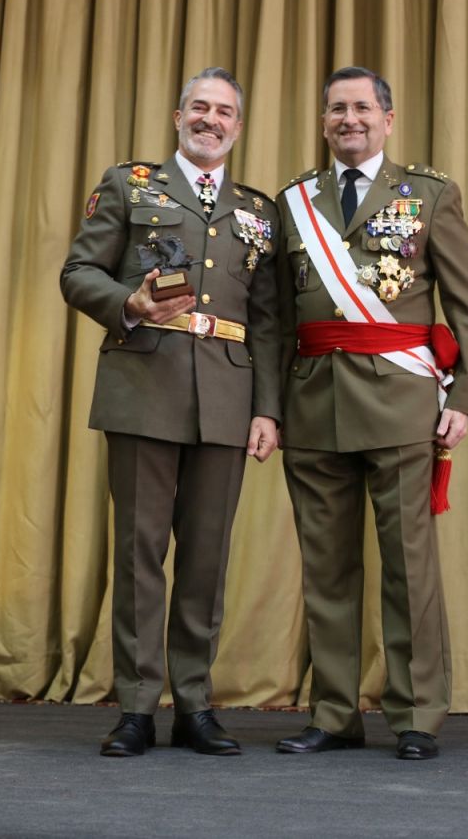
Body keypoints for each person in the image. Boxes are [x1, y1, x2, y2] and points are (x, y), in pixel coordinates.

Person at [273, 67, 468, 760]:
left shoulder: (427, 195)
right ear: (323, 120)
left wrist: (464, 399)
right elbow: (277, 318)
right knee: (326, 570)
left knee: (409, 569)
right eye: (336, 108)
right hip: (312, 405)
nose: (349, 119)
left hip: (401, 406)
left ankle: (417, 716)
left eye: (362, 107)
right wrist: (270, 409)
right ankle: (334, 714)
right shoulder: (293, 202)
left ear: (387, 119)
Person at [60, 68, 281, 756]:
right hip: (144, 387)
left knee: (207, 561)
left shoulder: (257, 210)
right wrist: (128, 302)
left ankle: (194, 704)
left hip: (226, 397)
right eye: (200, 107)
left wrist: (267, 410)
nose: (210, 119)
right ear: (178, 115)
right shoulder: (131, 185)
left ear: (238, 128)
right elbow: (78, 273)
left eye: (224, 112)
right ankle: (134, 706)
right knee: (139, 552)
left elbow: (270, 323)